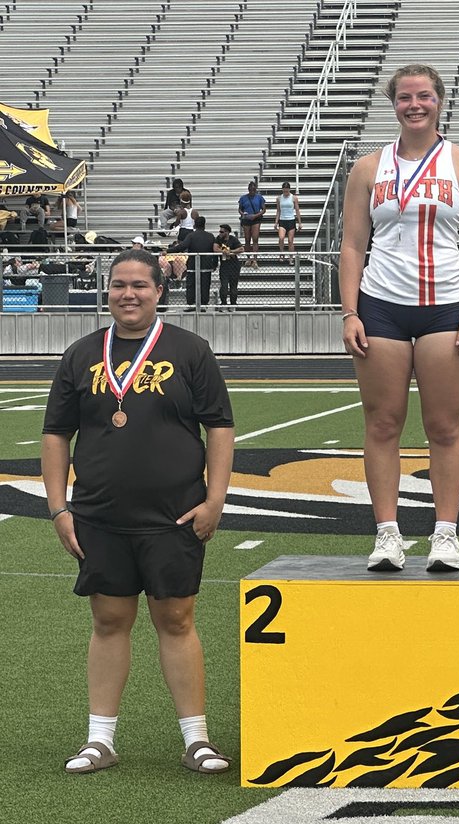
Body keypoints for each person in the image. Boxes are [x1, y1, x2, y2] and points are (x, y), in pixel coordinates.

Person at [41, 248, 235, 775]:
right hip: (99, 515)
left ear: (159, 292)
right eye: (119, 285)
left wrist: (214, 498)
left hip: (174, 513)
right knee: (108, 619)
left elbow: (219, 425)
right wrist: (59, 507)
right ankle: (100, 739)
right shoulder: (82, 354)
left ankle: (196, 739)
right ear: (107, 292)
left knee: (176, 618)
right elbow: (56, 433)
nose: (129, 294)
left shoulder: (191, 350)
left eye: (140, 286)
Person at [338, 63, 459, 573]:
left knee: (444, 426)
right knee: (383, 423)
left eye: (423, 96)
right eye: (405, 97)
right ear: (394, 104)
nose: (414, 105)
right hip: (380, 305)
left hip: (446, 304)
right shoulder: (367, 168)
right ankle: (387, 534)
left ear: (439, 101)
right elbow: (354, 244)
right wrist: (350, 311)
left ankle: (445, 535)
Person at [167, 215, 217, 310]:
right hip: (206, 265)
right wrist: (214, 264)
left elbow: (181, 247)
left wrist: (168, 251)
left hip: (193, 264)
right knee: (205, 285)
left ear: (194, 225)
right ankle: (203, 305)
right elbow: (214, 252)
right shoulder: (210, 236)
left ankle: (191, 304)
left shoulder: (191, 236)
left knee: (191, 285)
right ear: (204, 225)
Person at [237, 180, 266, 267]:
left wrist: (256, 215)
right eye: (250, 190)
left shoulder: (259, 198)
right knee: (247, 239)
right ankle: (248, 257)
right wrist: (243, 214)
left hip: (256, 219)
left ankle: (255, 259)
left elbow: (264, 209)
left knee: (255, 239)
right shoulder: (243, 198)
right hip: (247, 219)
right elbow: (239, 209)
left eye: (253, 190)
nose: (252, 192)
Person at [215, 224, 243, 310]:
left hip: (234, 264)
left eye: (222, 232)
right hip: (224, 265)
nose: (220, 233)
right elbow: (215, 249)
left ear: (227, 232)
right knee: (224, 285)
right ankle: (223, 303)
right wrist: (223, 251)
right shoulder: (219, 239)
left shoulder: (233, 239)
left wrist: (231, 251)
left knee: (233, 285)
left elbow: (241, 249)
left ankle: (233, 304)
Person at [275, 182, 301, 255]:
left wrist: (300, 223)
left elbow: (297, 210)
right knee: (281, 238)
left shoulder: (294, 198)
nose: (285, 193)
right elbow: (278, 211)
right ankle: (282, 252)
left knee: (290, 241)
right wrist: (276, 222)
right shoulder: (279, 198)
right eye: (284, 191)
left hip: (291, 220)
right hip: (282, 220)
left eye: (287, 191)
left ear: (289, 190)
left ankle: (291, 257)